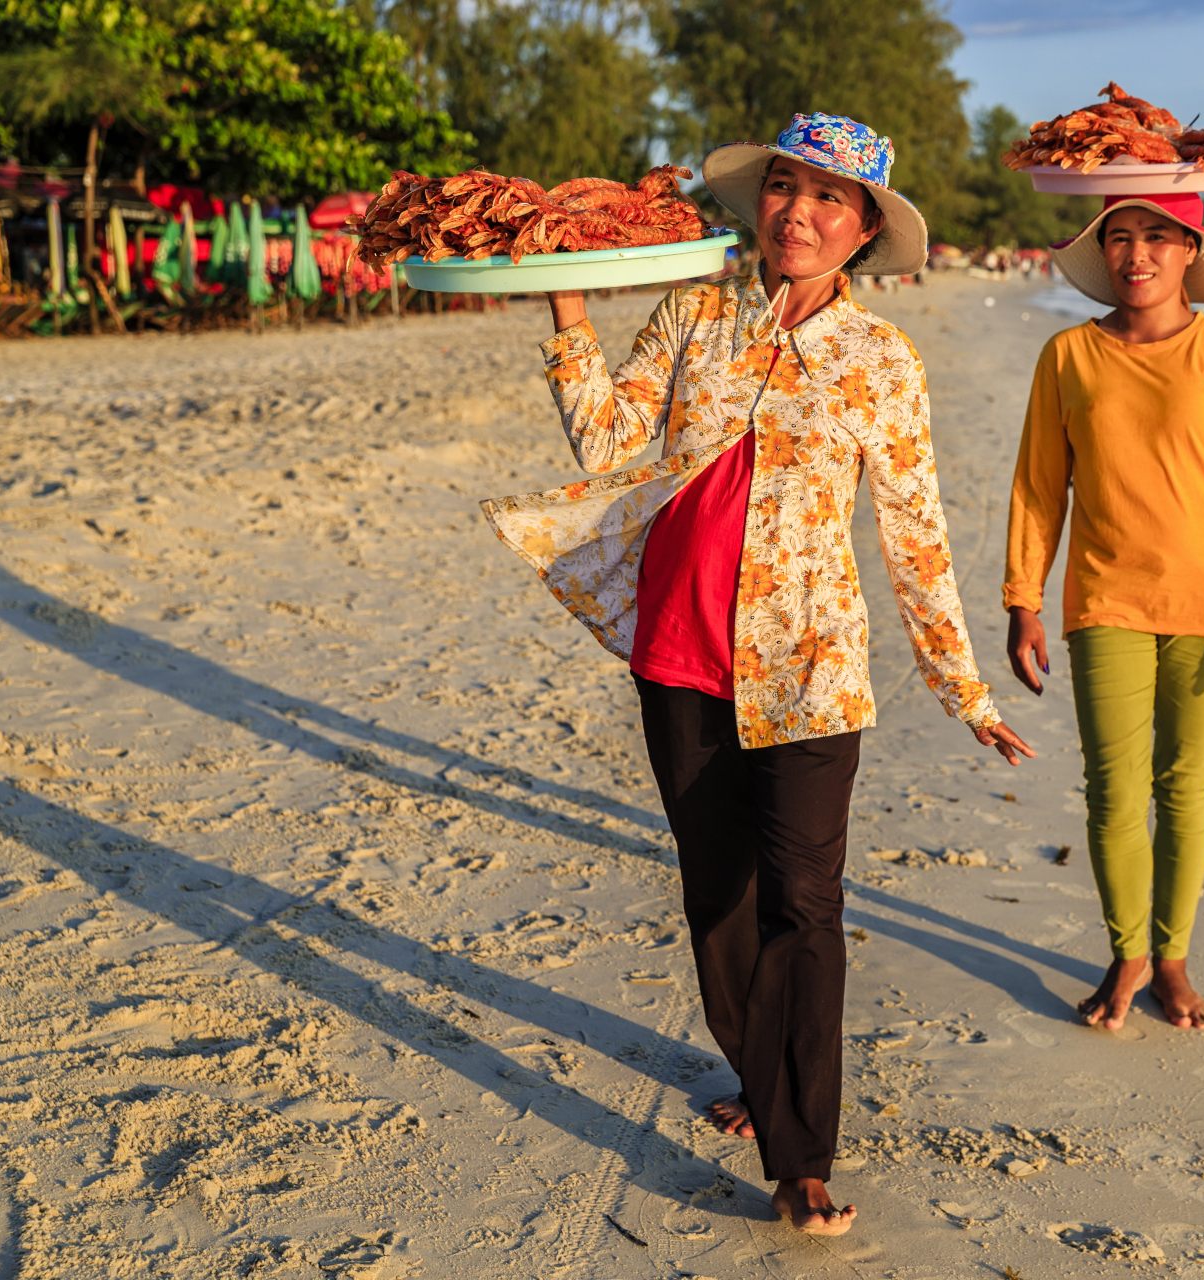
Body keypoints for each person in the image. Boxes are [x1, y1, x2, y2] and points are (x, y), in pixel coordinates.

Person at [482, 112, 1032, 1236]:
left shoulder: (882, 359)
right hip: (679, 653)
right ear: (760, 200)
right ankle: (759, 1072)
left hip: (813, 667)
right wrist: (568, 300)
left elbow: (915, 530)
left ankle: (802, 1152)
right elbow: (608, 442)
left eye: (830, 198)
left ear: (866, 227)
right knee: (715, 891)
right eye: (785, 187)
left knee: (805, 904)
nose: (800, 212)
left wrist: (962, 686)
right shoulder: (693, 312)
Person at [1003, 191, 1204, 1033]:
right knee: (1112, 790)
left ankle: (1171, 959)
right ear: (1103, 253)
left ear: (1189, 252)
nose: (1137, 255)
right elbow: (1038, 487)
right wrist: (1022, 598)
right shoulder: (1067, 355)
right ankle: (1127, 951)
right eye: (1122, 238)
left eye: (1157, 238)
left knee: (1186, 788)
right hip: (1103, 599)